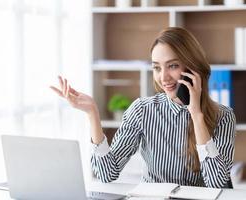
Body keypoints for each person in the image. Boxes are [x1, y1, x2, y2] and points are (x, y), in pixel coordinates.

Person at [50, 27, 236, 188]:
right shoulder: (142, 110)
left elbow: (216, 184)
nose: (163, 77)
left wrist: (196, 115)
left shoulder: (224, 116)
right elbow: (106, 173)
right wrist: (92, 113)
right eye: (156, 68)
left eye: (172, 66)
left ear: (192, 68)